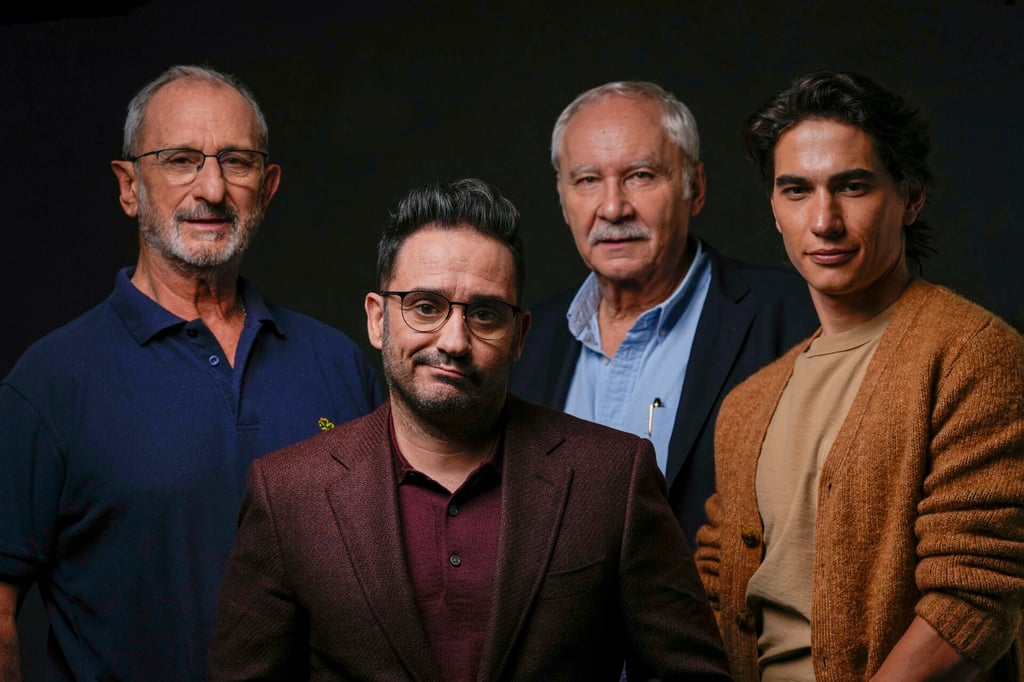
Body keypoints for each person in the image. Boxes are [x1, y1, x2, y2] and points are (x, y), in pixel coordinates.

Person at [207, 178, 732, 681]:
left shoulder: (613, 477)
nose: (454, 340)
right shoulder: (289, 494)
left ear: (520, 334)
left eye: (484, 314)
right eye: (426, 307)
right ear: (376, 319)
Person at [0, 65, 383, 681]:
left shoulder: (336, 364)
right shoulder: (49, 383)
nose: (211, 189)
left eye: (236, 162)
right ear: (130, 187)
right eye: (180, 159)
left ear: (268, 186)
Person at [695, 70, 1024, 680]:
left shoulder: (972, 354)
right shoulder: (748, 405)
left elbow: (975, 591)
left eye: (852, 187)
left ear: (911, 196)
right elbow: (718, 586)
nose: (824, 220)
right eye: (796, 190)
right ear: (773, 208)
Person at [510, 81, 818, 547]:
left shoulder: (794, 317)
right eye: (588, 180)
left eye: (641, 175)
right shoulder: (522, 339)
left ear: (695, 189)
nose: (613, 208)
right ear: (562, 198)